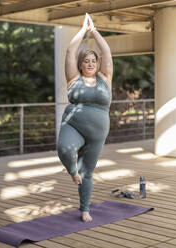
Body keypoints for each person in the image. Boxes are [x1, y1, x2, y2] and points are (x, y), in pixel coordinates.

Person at [57, 13, 113, 222]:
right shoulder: (73, 79)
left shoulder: (105, 78)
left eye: (93, 61)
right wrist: (83, 29)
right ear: (81, 64)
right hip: (74, 124)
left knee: (87, 172)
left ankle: (84, 209)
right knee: (64, 148)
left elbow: (106, 51)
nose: (90, 64)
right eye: (86, 61)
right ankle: (72, 171)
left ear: (97, 64)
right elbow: (70, 51)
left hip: (98, 133)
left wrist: (94, 31)